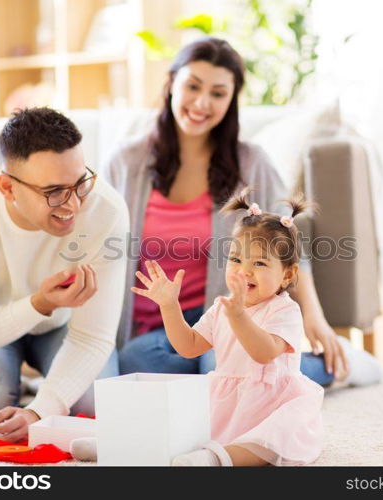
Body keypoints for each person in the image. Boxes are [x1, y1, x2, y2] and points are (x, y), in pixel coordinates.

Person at [103, 36, 380, 386]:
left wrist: (315, 317)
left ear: (232, 99)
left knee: (227, 366)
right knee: (136, 362)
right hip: (158, 324)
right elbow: (98, 237)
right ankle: (221, 376)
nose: (202, 103)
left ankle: (331, 366)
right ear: (172, 83)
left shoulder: (251, 162)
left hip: (233, 312)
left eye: (218, 93)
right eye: (193, 86)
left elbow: (289, 240)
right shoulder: (127, 161)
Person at [0, 107, 129, 442]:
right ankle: (10, 377)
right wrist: (38, 304)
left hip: (63, 327)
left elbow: (93, 337)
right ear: (7, 187)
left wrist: (39, 411)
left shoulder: (106, 211)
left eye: (80, 183)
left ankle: (36, 386)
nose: (73, 205)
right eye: (54, 192)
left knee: (93, 407)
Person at [132, 192, 324, 466]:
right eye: (236, 260)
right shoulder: (223, 307)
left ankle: (216, 459)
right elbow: (188, 346)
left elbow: (265, 352)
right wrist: (169, 306)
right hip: (225, 399)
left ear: (288, 274)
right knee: (178, 423)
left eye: (259, 263)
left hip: (271, 405)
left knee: (268, 443)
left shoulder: (285, 310)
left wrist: (238, 317)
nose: (244, 271)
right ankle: (130, 444)